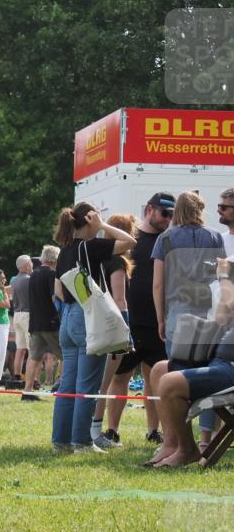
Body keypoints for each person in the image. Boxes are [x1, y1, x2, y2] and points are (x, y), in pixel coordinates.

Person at [52, 203, 137, 453]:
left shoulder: (64, 251)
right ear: (90, 219)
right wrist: (103, 226)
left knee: (67, 385)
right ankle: (82, 441)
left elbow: (58, 289)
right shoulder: (90, 246)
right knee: (87, 385)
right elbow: (129, 241)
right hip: (87, 317)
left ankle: (61, 441)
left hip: (67, 318)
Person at [152, 190, 226, 452]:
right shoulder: (215, 236)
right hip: (208, 309)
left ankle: (176, 441)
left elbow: (158, 283)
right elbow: (221, 276)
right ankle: (206, 439)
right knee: (207, 374)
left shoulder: (165, 238)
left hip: (178, 310)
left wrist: (160, 317)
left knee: (175, 373)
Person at [100, 194, 173, 445]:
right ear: (150, 210)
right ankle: (112, 430)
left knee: (156, 377)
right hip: (129, 322)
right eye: (165, 213)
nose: (169, 219)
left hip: (157, 323)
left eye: (172, 214)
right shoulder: (131, 239)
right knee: (120, 377)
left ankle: (155, 430)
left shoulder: (168, 240)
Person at [148, 257, 234, 467]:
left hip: (230, 368)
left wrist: (224, 276)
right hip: (219, 361)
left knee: (169, 383)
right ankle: (171, 445)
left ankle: (187, 450)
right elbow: (223, 316)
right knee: (159, 370)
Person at [90, 213, 136, 448]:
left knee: (94, 382)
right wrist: (125, 333)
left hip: (93, 324)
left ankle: (90, 430)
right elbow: (120, 300)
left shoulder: (95, 258)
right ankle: (96, 433)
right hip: (111, 328)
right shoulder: (117, 262)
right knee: (104, 383)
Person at [22, 246, 63, 402]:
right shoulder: (52, 274)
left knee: (34, 357)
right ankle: (63, 386)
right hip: (51, 321)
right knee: (65, 355)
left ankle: (28, 390)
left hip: (35, 322)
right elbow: (55, 297)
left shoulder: (33, 274)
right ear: (55, 259)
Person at [10, 255, 33, 380]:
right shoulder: (29, 279)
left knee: (20, 349)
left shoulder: (13, 280)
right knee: (31, 349)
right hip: (27, 314)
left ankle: (17, 375)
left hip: (17, 314)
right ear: (27, 265)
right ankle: (31, 378)